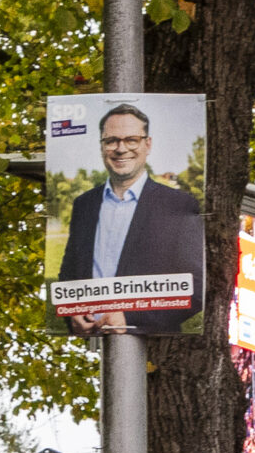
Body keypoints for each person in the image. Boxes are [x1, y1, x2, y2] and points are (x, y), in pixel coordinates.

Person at [55, 103, 207, 336]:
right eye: (111, 140)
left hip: (154, 346)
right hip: (92, 342)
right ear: (102, 146)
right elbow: (69, 275)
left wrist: (129, 318)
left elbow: (195, 288)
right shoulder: (84, 205)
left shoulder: (177, 205)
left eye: (131, 140)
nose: (120, 148)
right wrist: (70, 312)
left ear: (148, 144)